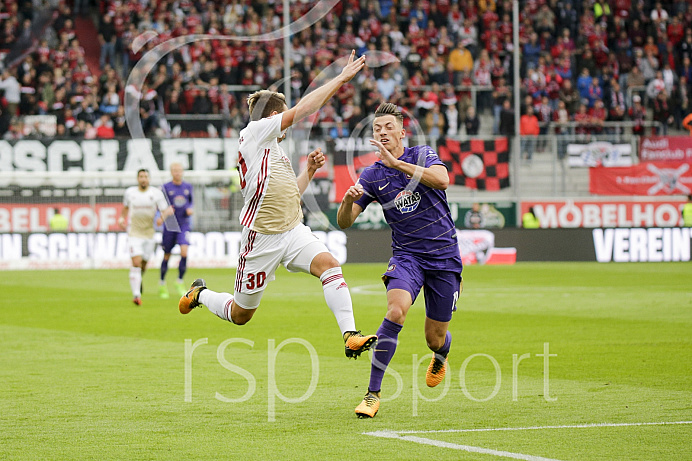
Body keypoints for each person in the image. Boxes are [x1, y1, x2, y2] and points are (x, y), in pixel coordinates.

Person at [178, 51, 377, 360]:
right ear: (272, 117)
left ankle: (350, 334)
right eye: (283, 117)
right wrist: (339, 79)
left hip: (292, 230)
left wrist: (308, 172)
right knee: (241, 314)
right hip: (261, 237)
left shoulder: (276, 153)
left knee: (330, 266)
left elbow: (289, 195)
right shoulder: (254, 133)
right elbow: (303, 110)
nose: (288, 125)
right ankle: (200, 294)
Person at [337, 103, 463, 418]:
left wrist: (398, 164)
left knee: (434, 338)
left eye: (388, 127)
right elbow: (345, 222)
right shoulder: (372, 175)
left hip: (444, 256)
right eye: (377, 128)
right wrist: (346, 201)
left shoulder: (421, 155)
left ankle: (442, 352)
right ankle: (372, 394)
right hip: (407, 256)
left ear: (402, 132)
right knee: (396, 311)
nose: (382, 131)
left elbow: (442, 180)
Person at [119, 169, 173, 306]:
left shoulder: (156, 194)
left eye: (146, 177)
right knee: (136, 263)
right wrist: (121, 218)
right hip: (134, 233)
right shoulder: (130, 193)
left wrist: (162, 218)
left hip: (149, 234)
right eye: (141, 177)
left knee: (143, 265)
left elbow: (166, 209)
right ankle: (136, 295)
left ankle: (138, 280)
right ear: (138, 179)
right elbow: (125, 207)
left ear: (149, 179)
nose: (143, 179)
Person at [158, 162, 194, 299]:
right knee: (167, 254)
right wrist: (164, 214)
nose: (177, 172)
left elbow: (191, 202)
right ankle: (162, 283)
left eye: (179, 170)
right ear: (171, 172)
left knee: (184, 251)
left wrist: (190, 209)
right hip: (170, 225)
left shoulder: (188, 187)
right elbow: (160, 205)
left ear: (182, 171)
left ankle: (179, 281)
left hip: (183, 224)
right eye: (175, 170)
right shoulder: (166, 187)